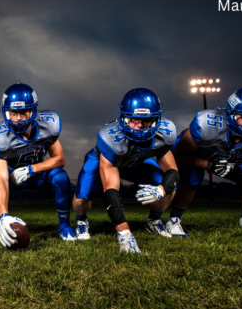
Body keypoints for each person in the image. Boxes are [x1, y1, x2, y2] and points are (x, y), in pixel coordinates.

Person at [72, 88, 180, 252]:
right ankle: (81, 221)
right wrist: (124, 233)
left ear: (156, 119)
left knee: (169, 185)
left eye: (146, 120)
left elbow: (173, 172)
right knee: (83, 196)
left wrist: (161, 189)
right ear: (123, 117)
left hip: (136, 162)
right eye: (133, 119)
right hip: (105, 159)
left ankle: (154, 221)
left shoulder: (165, 133)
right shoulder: (109, 138)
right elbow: (111, 191)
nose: (139, 125)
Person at [0, 83, 75, 246]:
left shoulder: (47, 125)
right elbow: (0, 176)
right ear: (6, 112)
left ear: (33, 111)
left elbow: (59, 159)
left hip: (37, 173)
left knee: (61, 178)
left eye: (23, 112)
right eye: (13, 113)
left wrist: (32, 169)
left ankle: (64, 226)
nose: (18, 118)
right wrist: (3, 216)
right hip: (10, 173)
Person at [169, 87, 242, 236]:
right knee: (193, 179)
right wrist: (209, 165)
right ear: (231, 113)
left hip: (231, 157)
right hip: (196, 154)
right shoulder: (207, 124)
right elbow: (179, 155)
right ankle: (174, 220)